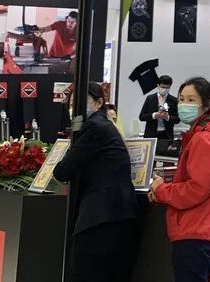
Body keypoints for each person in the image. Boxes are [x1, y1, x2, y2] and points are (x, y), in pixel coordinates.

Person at [53, 81, 139, 282]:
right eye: (71, 103)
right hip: (118, 212)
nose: (74, 107)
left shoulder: (94, 126)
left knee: (85, 270)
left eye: (81, 101)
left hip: (102, 215)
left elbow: (63, 171)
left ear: (99, 103)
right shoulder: (104, 125)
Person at [149, 77, 210, 282]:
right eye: (182, 99)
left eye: (191, 100)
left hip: (197, 232)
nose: (184, 104)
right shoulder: (203, 135)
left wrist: (161, 190)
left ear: (207, 104)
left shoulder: (204, 140)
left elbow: (196, 189)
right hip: (204, 230)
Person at [141, 75, 179, 141]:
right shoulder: (150, 98)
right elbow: (141, 117)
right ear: (158, 85)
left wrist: (168, 117)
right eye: (163, 87)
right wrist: (154, 115)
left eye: (167, 88)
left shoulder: (174, 100)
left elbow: (178, 119)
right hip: (151, 135)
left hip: (166, 135)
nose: (164, 90)